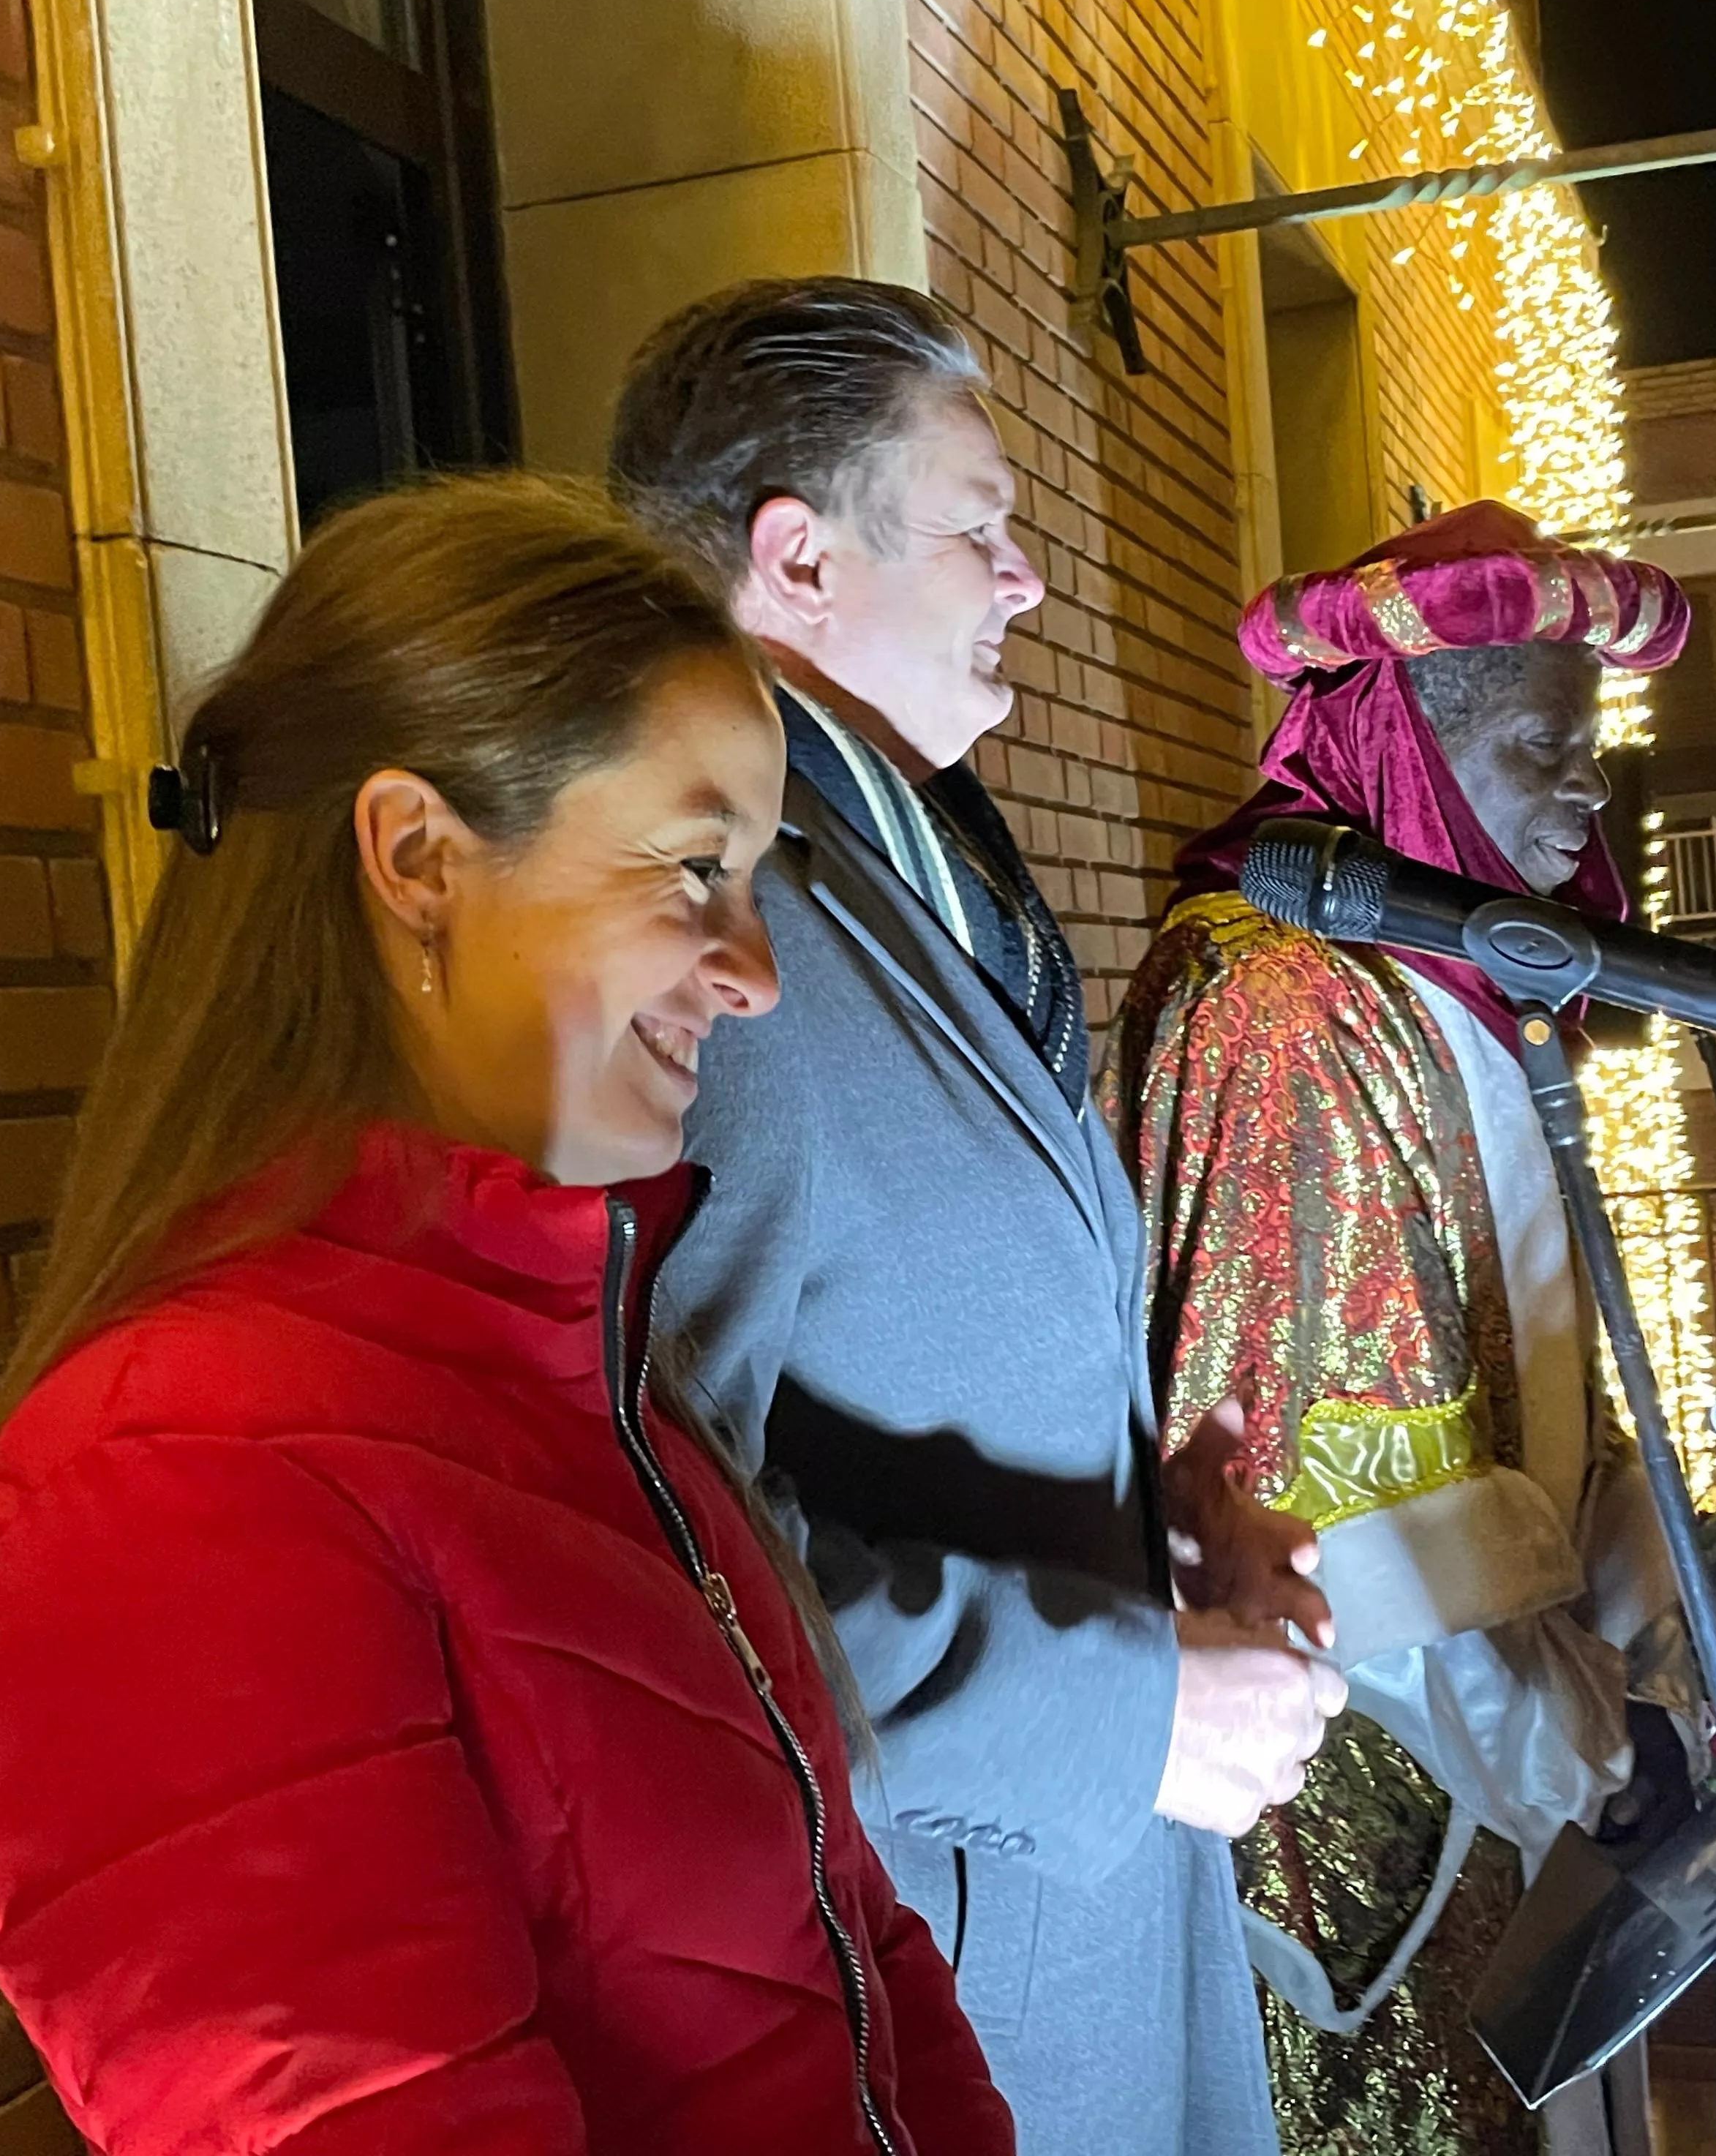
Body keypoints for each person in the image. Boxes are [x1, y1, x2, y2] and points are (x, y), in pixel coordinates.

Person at [0, 476, 1012, 2156]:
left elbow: (852, 1957)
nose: (755, 974)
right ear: (418, 859)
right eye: (696, 868)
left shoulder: (578, 1378)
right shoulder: (173, 1491)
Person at [609, 277, 1344, 2156]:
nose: (1025, 580)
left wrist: (1152, 1519)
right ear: (799, 559)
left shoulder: (912, 864)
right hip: (943, 1983)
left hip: (1076, 1935)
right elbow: (646, 1551)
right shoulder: (710, 936)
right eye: (978, 528)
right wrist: (1121, 1715)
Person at [1111, 500, 1700, 2156]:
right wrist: (1598, 1743)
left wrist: (1635, 1667)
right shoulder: (1285, 1009)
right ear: (1402, 747)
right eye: (1542, 748)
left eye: (1594, 749)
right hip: (1354, 1811)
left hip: (1497, 1759)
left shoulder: (1435, 988)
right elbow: (1343, 1514)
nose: (1590, 793)